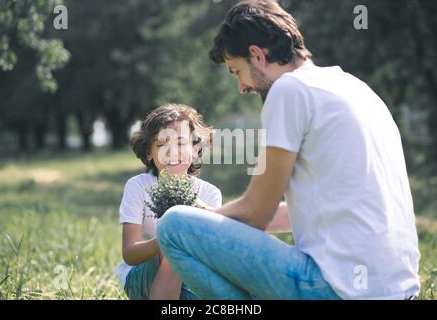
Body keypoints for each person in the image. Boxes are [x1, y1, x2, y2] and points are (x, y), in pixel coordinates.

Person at [156, 0, 420, 300]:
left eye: (236, 71)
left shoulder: (289, 90)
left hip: (336, 290)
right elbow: (306, 212)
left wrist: (207, 214)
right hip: (397, 291)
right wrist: (217, 221)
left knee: (174, 226)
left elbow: (257, 213)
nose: (242, 87)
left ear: (256, 55)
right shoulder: (355, 88)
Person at [115, 103, 222, 300]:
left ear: (196, 149)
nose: (172, 152)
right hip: (142, 278)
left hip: (190, 280)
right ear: (149, 153)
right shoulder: (138, 186)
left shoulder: (209, 194)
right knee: (174, 244)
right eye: (162, 144)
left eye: (181, 143)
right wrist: (165, 240)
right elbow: (130, 253)